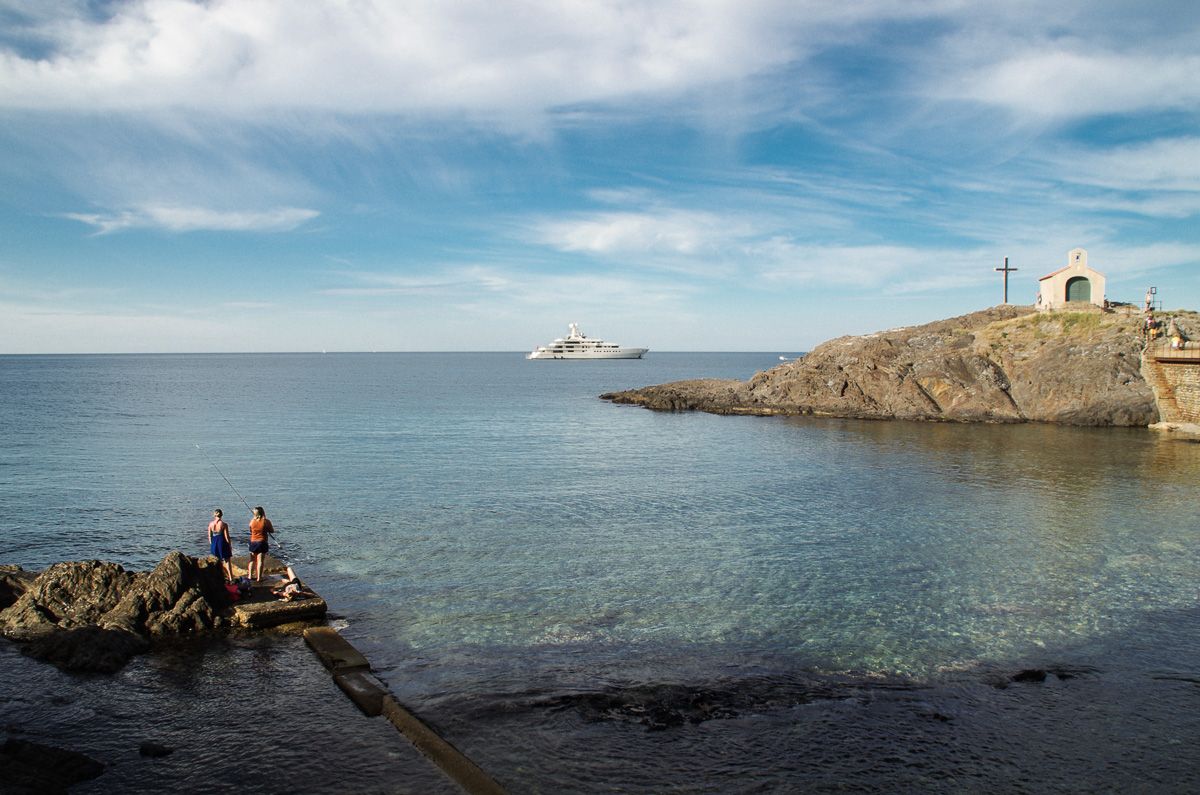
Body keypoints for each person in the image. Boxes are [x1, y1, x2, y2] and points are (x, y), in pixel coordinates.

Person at [247, 506, 275, 582]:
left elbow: (250, 530)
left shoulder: (252, 521)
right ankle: (259, 578)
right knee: (260, 561)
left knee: (252, 560)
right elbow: (272, 531)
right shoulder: (266, 521)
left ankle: (250, 576)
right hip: (262, 542)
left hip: (253, 542)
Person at [207, 508, 234, 582]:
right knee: (227, 560)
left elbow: (209, 536)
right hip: (222, 542)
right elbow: (227, 536)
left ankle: (218, 577)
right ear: (221, 515)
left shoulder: (211, 524)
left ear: (214, 515)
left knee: (216, 561)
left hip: (214, 542)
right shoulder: (224, 524)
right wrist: (229, 545)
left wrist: (211, 544)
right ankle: (231, 577)